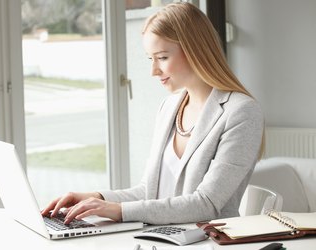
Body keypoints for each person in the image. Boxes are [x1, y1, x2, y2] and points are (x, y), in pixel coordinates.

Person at [42, 2, 264, 225]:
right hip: (160, 236)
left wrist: (117, 210)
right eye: (151, 58)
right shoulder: (169, 107)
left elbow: (205, 204)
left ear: (195, 50)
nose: (154, 71)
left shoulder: (241, 112)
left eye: (162, 57)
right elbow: (149, 192)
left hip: (206, 241)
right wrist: (96, 199)